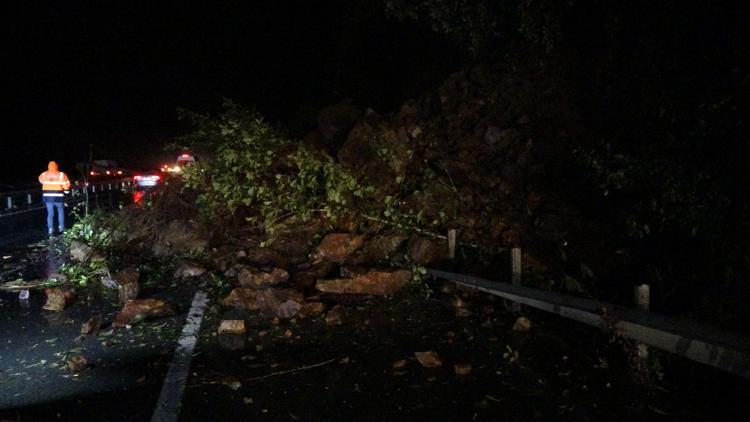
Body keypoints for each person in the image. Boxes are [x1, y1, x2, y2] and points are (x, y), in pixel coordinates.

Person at [38, 161, 71, 235]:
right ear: (56, 166)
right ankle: (61, 228)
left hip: (47, 197)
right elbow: (67, 185)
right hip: (58, 196)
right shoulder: (62, 175)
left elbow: (40, 181)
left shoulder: (43, 174)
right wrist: (67, 194)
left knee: (50, 213)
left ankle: (50, 229)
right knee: (60, 211)